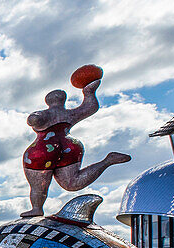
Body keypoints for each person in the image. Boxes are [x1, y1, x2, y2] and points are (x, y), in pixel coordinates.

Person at [21, 77, 130, 218]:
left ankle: (37, 208)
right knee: (72, 183)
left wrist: (37, 117)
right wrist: (89, 92)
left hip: (43, 150)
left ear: (48, 101)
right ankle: (107, 161)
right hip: (69, 147)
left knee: (38, 186)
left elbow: (33, 120)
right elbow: (90, 107)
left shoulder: (46, 114)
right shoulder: (70, 114)